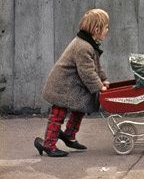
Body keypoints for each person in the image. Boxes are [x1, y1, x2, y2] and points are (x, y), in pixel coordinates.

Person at [34, 8, 110, 157]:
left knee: (80, 108)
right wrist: (99, 86)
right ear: (96, 29)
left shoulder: (89, 44)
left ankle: (69, 135)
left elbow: (96, 66)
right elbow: (87, 72)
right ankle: (48, 144)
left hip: (72, 86)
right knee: (58, 114)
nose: (108, 30)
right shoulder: (83, 47)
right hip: (62, 86)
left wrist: (103, 79)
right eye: (106, 27)